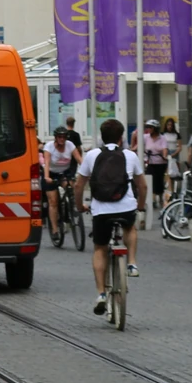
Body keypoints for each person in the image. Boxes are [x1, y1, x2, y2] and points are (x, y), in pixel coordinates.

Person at [72, 118, 145, 314]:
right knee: (130, 227)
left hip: (101, 210)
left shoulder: (91, 155)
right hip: (125, 206)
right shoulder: (130, 155)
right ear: (121, 138)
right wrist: (140, 205)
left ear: (102, 138)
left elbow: (78, 185)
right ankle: (131, 263)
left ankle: (101, 294)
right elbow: (142, 185)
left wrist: (80, 205)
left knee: (100, 248)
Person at [40, 126, 80, 235]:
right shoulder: (49, 147)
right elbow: (47, 163)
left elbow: (79, 159)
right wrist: (47, 177)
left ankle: (70, 208)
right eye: (59, 137)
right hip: (51, 173)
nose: (62, 139)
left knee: (71, 188)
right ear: (55, 138)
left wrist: (88, 172)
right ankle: (55, 230)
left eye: (64, 137)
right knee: (53, 202)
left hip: (64, 173)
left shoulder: (70, 145)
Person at [138, 120, 169, 223]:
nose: (148, 129)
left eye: (150, 127)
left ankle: (160, 197)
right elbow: (138, 144)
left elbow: (165, 149)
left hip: (160, 162)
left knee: (159, 181)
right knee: (150, 180)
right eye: (148, 127)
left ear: (155, 129)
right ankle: (152, 199)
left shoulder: (162, 138)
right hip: (150, 162)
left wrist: (164, 156)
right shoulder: (145, 137)